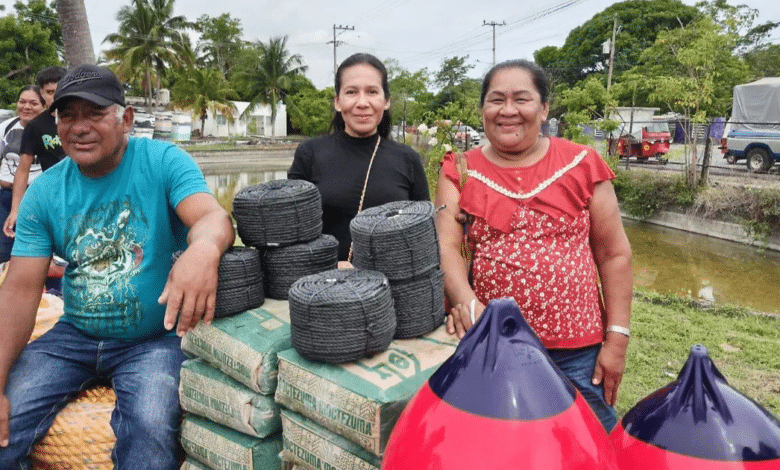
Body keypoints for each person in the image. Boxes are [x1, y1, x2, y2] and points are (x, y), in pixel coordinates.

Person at [0, 64, 235, 469]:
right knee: (8, 419)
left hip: (153, 338)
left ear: (125, 119)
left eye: (94, 113)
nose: (79, 127)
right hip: (73, 335)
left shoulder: (162, 161)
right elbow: (20, 289)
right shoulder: (44, 192)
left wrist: (203, 250)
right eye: (68, 115)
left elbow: (212, 217)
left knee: (149, 426)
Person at [435, 59, 633, 431]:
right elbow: (446, 247)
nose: (508, 110)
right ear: (482, 111)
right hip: (494, 346)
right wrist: (469, 307)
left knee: (587, 444)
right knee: (503, 444)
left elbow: (614, 254)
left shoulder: (582, 163)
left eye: (521, 99)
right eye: (496, 100)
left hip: (578, 352)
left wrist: (617, 337)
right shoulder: (459, 168)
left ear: (543, 109)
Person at [288, 53, 430, 265]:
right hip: (322, 287)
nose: (362, 103)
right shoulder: (310, 153)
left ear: (386, 101)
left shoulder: (407, 159)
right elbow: (292, 230)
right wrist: (331, 265)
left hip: (392, 287)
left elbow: (423, 235)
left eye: (372, 92)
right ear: (337, 101)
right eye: (351, 92)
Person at [3, 66, 68, 240]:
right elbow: (23, 169)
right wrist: (15, 210)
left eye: (58, 90)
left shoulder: (80, 119)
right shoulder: (35, 126)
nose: (54, 96)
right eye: (49, 91)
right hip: (52, 200)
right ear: (42, 93)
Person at [0, 85, 46, 263]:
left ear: (43, 106)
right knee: (3, 252)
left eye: (33, 103)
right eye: (22, 102)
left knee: (33, 253)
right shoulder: (6, 127)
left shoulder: (50, 131)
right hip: (5, 197)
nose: (26, 107)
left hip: (35, 198)